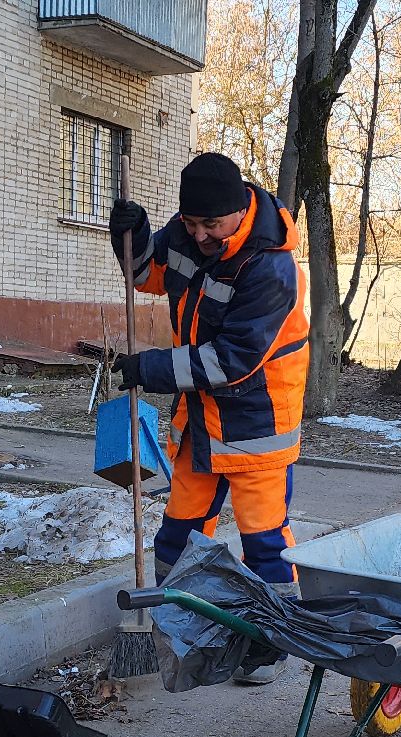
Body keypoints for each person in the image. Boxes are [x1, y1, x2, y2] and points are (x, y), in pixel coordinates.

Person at [107, 152, 310, 685]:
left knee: (265, 542)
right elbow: (147, 275)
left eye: (210, 225)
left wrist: (149, 367)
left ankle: (273, 641)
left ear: (239, 210)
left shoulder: (271, 265)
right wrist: (132, 238)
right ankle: (182, 626)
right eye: (190, 223)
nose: (198, 236)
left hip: (256, 425)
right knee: (178, 532)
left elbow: (231, 360)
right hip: (200, 422)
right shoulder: (188, 231)